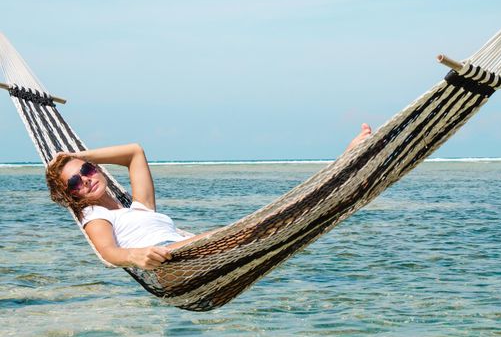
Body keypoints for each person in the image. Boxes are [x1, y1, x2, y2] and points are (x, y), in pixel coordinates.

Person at [46, 124, 372, 270]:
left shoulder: (139, 206)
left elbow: (134, 152)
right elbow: (109, 252)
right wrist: (135, 257)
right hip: (169, 262)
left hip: (191, 250)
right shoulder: (95, 216)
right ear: (69, 195)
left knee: (267, 225)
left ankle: (338, 174)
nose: (85, 180)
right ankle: (339, 174)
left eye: (87, 170)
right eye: (74, 183)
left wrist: (72, 155)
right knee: (262, 226)